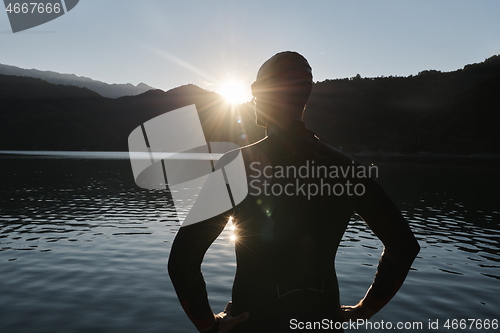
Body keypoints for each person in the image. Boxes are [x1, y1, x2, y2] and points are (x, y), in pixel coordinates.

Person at [168, 51, 420, 332]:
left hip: (255, 323)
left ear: (262, 93)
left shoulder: (238, 166)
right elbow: (404, 246)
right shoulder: (347, 168)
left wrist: (209, 325)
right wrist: (365, 310)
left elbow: (182, 261)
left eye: (255, 88)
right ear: (305, 96)